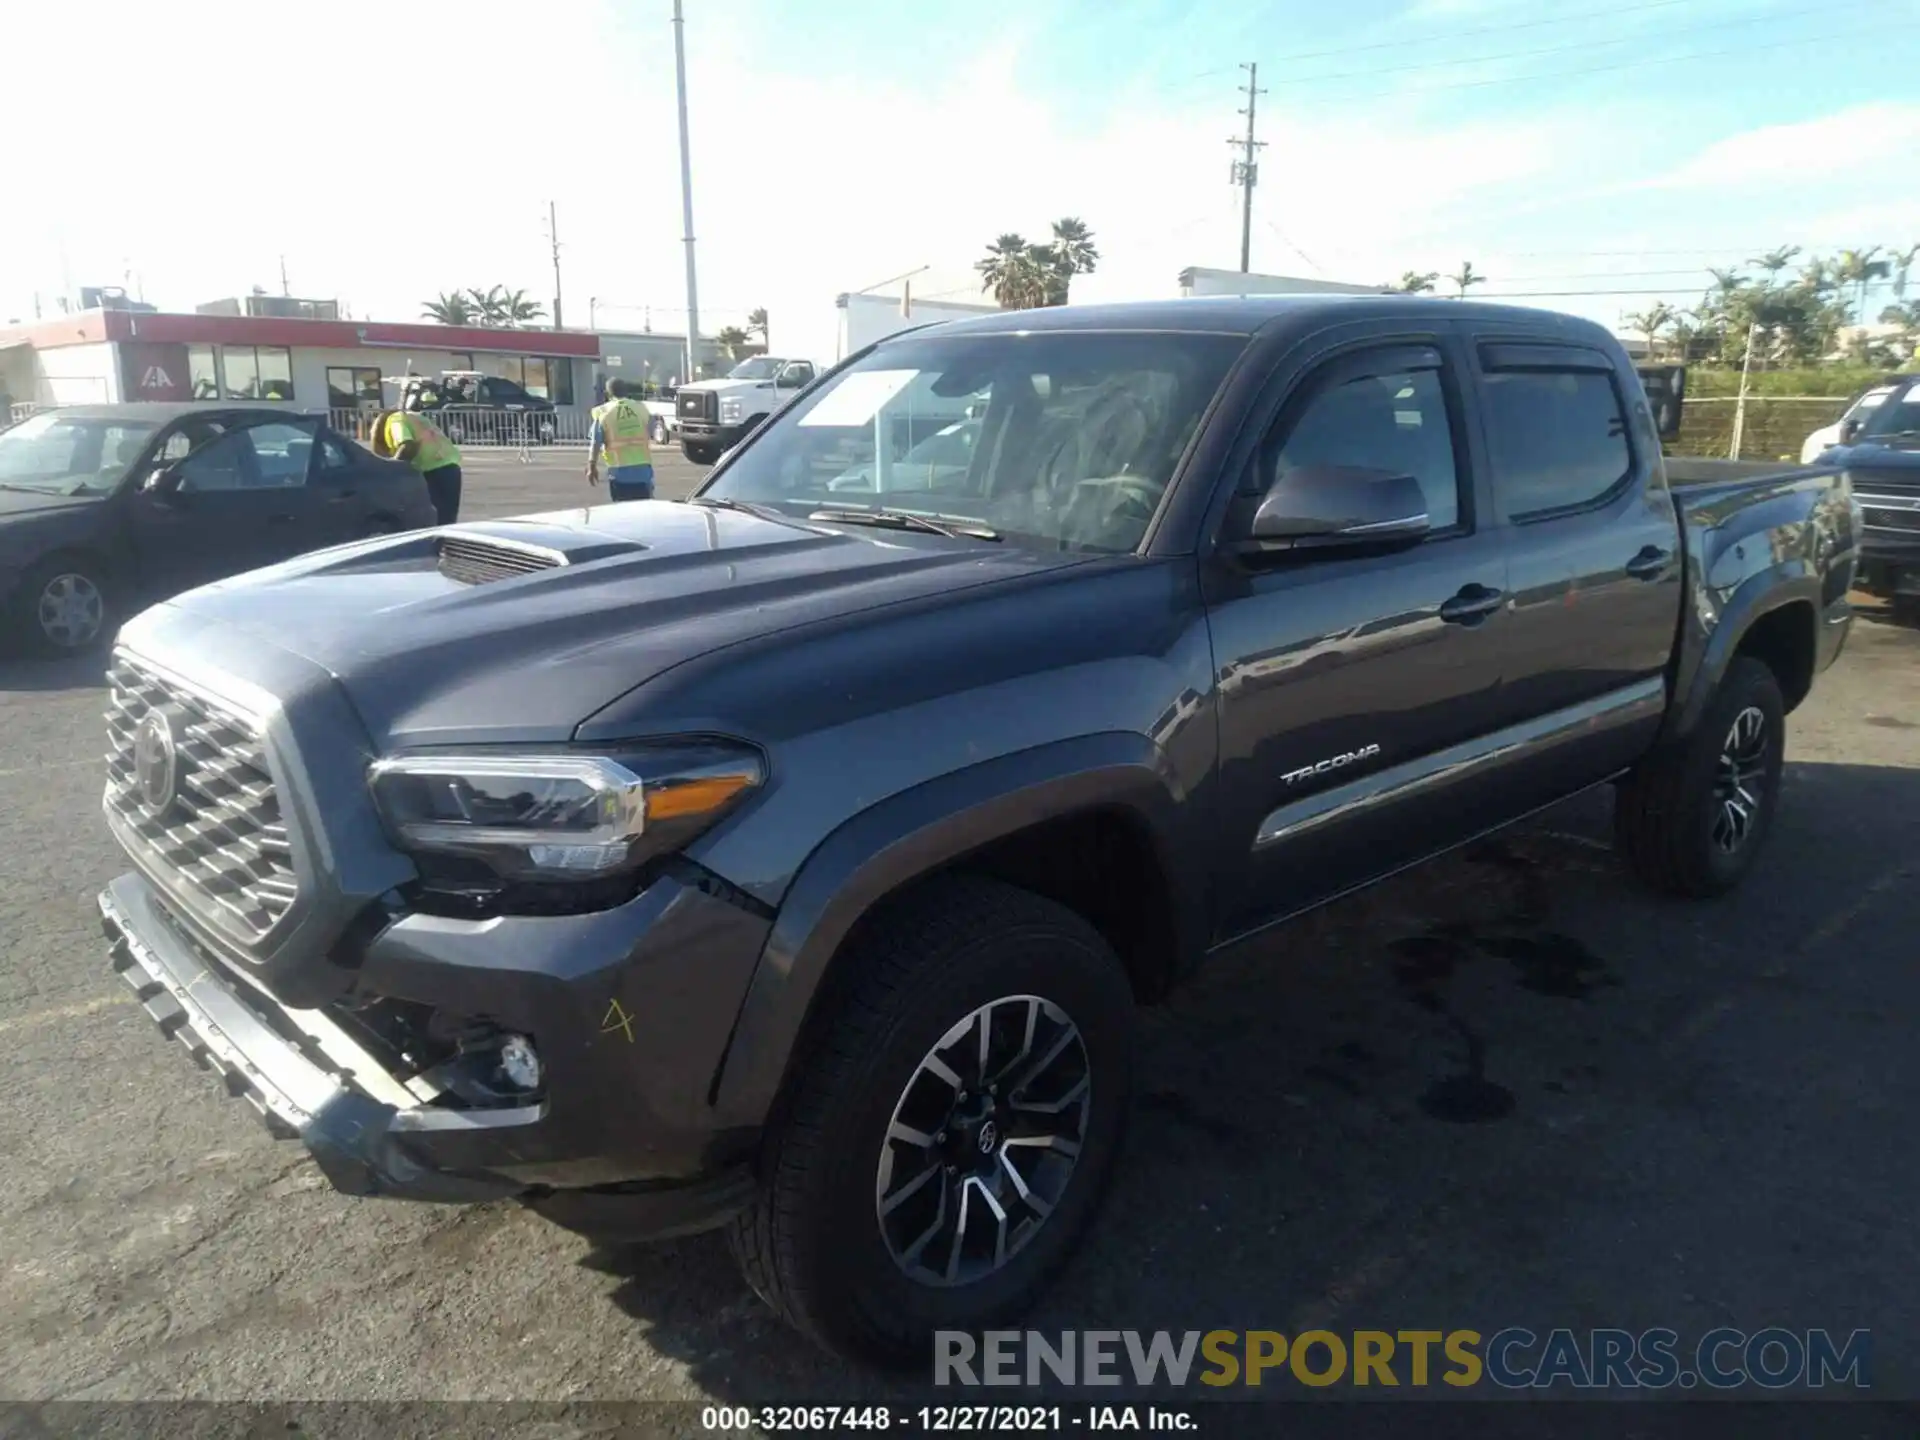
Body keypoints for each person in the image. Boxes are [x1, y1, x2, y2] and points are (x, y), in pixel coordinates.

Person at [372, 400, 464, 525]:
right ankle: (443, 543)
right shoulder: (415, 417)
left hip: (431, 469)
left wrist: (393, 470)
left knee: (428, 520)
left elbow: (408, 445)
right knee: (446, 519)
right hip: (451, 466)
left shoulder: (394, 420)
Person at [588, 377, 657, 501]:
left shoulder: (604, 412)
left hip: (619, 472)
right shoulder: (640, 408)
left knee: (623, 511)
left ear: (608, 393)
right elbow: (652, 430)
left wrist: (591, 466)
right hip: (643, 470)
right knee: (644, 511)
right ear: (626, 391)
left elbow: (595, 442)